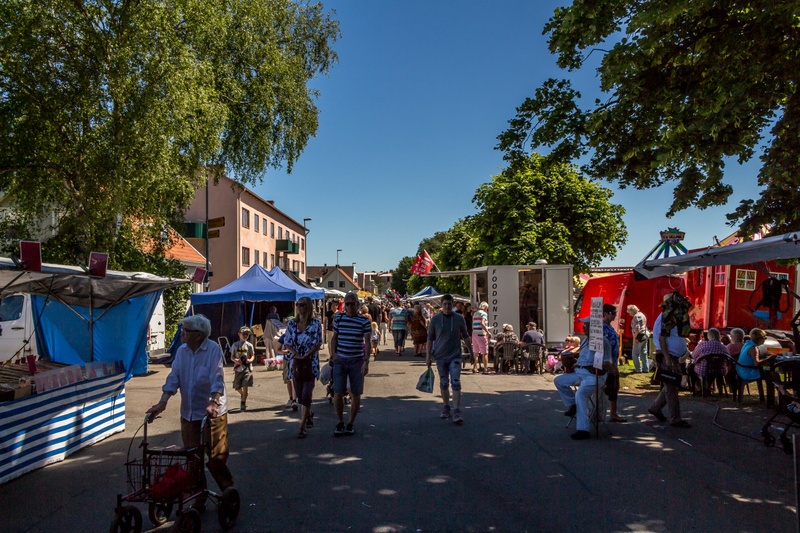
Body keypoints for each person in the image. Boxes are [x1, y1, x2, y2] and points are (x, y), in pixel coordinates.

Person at [146, 315, 233, 509]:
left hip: (213, 412)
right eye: (182, 329)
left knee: (217, 458)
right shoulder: (182, 351)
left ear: (199, 335)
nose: (181, 333)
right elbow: (174, 377)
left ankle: (228, 492)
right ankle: (198, 498)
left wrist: (213, 402)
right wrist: (163, 402)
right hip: (189, 412)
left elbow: (217, 377)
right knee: (192, 458)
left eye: (185, 330)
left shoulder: (212, 350)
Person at [554, 318, 613, 440]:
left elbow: (608, 364)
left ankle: (583, 429)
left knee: (580, 394)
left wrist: (596, 367)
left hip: (594, 376)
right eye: (584, 325)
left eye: (586, 325)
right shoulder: (586, 340)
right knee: (559, 380)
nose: (583, 328)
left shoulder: (603, 342)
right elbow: (583, 359)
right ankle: (572, 405)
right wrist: (573, 364)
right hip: (580, 372)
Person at [426, 294, 473, 425]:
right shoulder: (435, 319)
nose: (447, 306)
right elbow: (430, 339)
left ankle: (457, 410)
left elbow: (466, 336)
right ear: (441, 305)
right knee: (444, 383)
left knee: (456, 382)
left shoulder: (459, 319)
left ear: (453, 305)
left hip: (455, 356)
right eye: (445, 304)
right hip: (440, 357)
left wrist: (471, 353)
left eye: (449, 304)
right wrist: (428, 356)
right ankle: (446, 406)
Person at [330, 292, 371, 436]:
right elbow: (334, 338)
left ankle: (350, 423)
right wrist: (333, 354)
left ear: (358, 305)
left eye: (352, 304)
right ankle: (340, 421)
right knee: (338, 392)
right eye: (347, 304)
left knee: (355, 393)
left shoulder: (364, 321)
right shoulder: (339, 318)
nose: (349, 306)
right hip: (340, 360)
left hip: (357, 360)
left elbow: (367, 342)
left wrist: (366, 362)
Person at [284, 297, 322, 439]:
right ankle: (309, 413)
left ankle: (302, 427)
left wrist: (306, 355)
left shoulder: (315, 324)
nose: (300, 307)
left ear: (309, 307)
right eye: (298, 305)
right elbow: (287, 342)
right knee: (299, 395)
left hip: (310, 362)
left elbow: (318, 343)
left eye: (302, 305)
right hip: (295, 363)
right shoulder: (292, 324)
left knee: (307, 394)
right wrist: (295, 354)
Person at [648, 311, 692, 428]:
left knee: (671, 383)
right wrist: (667, 357)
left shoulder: (671, 317)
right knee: (671, 387)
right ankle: (675, 419)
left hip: (673, 355)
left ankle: (656, 407)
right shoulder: (667, 317)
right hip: (668, 355)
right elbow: (662, 338)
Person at [601, 304, 626, 423]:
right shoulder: (603, 328)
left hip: (613, 362)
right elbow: (606, 347)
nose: (615, 316)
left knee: (614, 387)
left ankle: (613, 413)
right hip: (608, 363)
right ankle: (612, 413)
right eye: (613, 313)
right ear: (605, 313)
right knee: (611, 387)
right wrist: (610, 364)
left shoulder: (609, 327)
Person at [230, 326, 255, 412]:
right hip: (238, 369)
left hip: (247, 369)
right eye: (243, 334)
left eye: (247, 334)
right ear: (239, 334)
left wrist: (249, 360)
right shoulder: (235, 345)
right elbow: (232, 357)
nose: (245, 336)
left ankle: (243, 403)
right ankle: (243, 394)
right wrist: (236, 361)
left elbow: (252, 355)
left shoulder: (249, 345)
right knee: (237, 387)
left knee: (245, 385)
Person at [627, 305, 650, 373]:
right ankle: (646, 369)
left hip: (638, 337)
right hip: (644, 335)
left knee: (635, 354)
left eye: (629, 312)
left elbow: (637, 328)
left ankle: (638, 369)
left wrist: (634, 339)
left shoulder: (636, 316)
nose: (629, 314)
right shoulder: (642, 315)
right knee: (644, 353)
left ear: (632, 311)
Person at [472, 302, 491, 374]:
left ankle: (474, 368)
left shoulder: (475, 314)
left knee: (476, 352)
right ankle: (485, 369)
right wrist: (487, 331)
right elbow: (482, 323)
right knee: (485, 353)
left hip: (474, 334)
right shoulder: (484, 313)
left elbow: (473, 325)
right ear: (485, 308)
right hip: (481, 335)